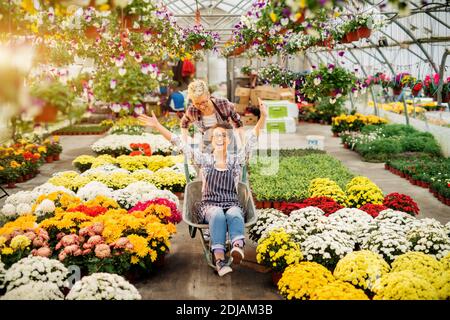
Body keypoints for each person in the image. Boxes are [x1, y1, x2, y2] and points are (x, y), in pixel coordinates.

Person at [138, 99, 267, 277]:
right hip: (209, 205)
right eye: (216, 136)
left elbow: (252, 138)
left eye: (223, 136)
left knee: (234, 213)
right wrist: (158, 126)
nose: (220, 139)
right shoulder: (204, 159)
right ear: (211, 141)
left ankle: (237, 247)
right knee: (217, 214)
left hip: (231, 202)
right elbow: (178, 142)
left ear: (228, 141)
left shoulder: (235, 160)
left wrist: (263, 118)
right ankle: (220, 258)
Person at [181, 79, 245, 153]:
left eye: (204, 102)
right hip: (207, 145)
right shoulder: (192, 110)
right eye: (197, 104)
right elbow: (184, 123)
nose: (202, 107)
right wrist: (184, 144)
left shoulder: (224, 104)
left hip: (228, 144)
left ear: (208, 95)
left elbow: (238, 123)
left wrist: (243, 145)